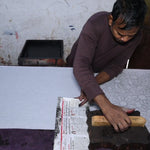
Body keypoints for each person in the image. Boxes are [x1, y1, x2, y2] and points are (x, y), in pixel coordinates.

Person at [66, 0, 147, 132]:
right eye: (120, 33)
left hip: (98, 76)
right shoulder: (95, 24)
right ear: (111, 20)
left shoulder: (137, 36)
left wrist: (92, 86)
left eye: (130, 36)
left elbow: (116, 65)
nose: (125, 39)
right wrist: (107, 107)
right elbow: (81, 65)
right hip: (71, 71)